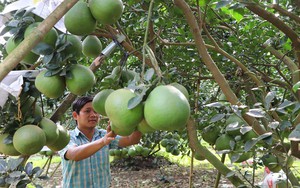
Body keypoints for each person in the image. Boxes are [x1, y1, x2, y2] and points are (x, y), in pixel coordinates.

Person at [58, 96, 142, 188]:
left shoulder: (104, 134)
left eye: (96, 111)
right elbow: (74, 154)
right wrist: (103, 141)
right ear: (75, 115)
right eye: (87, 111)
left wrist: (138, 118)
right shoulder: (66, 137)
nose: (93, 115)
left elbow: (132, 139)